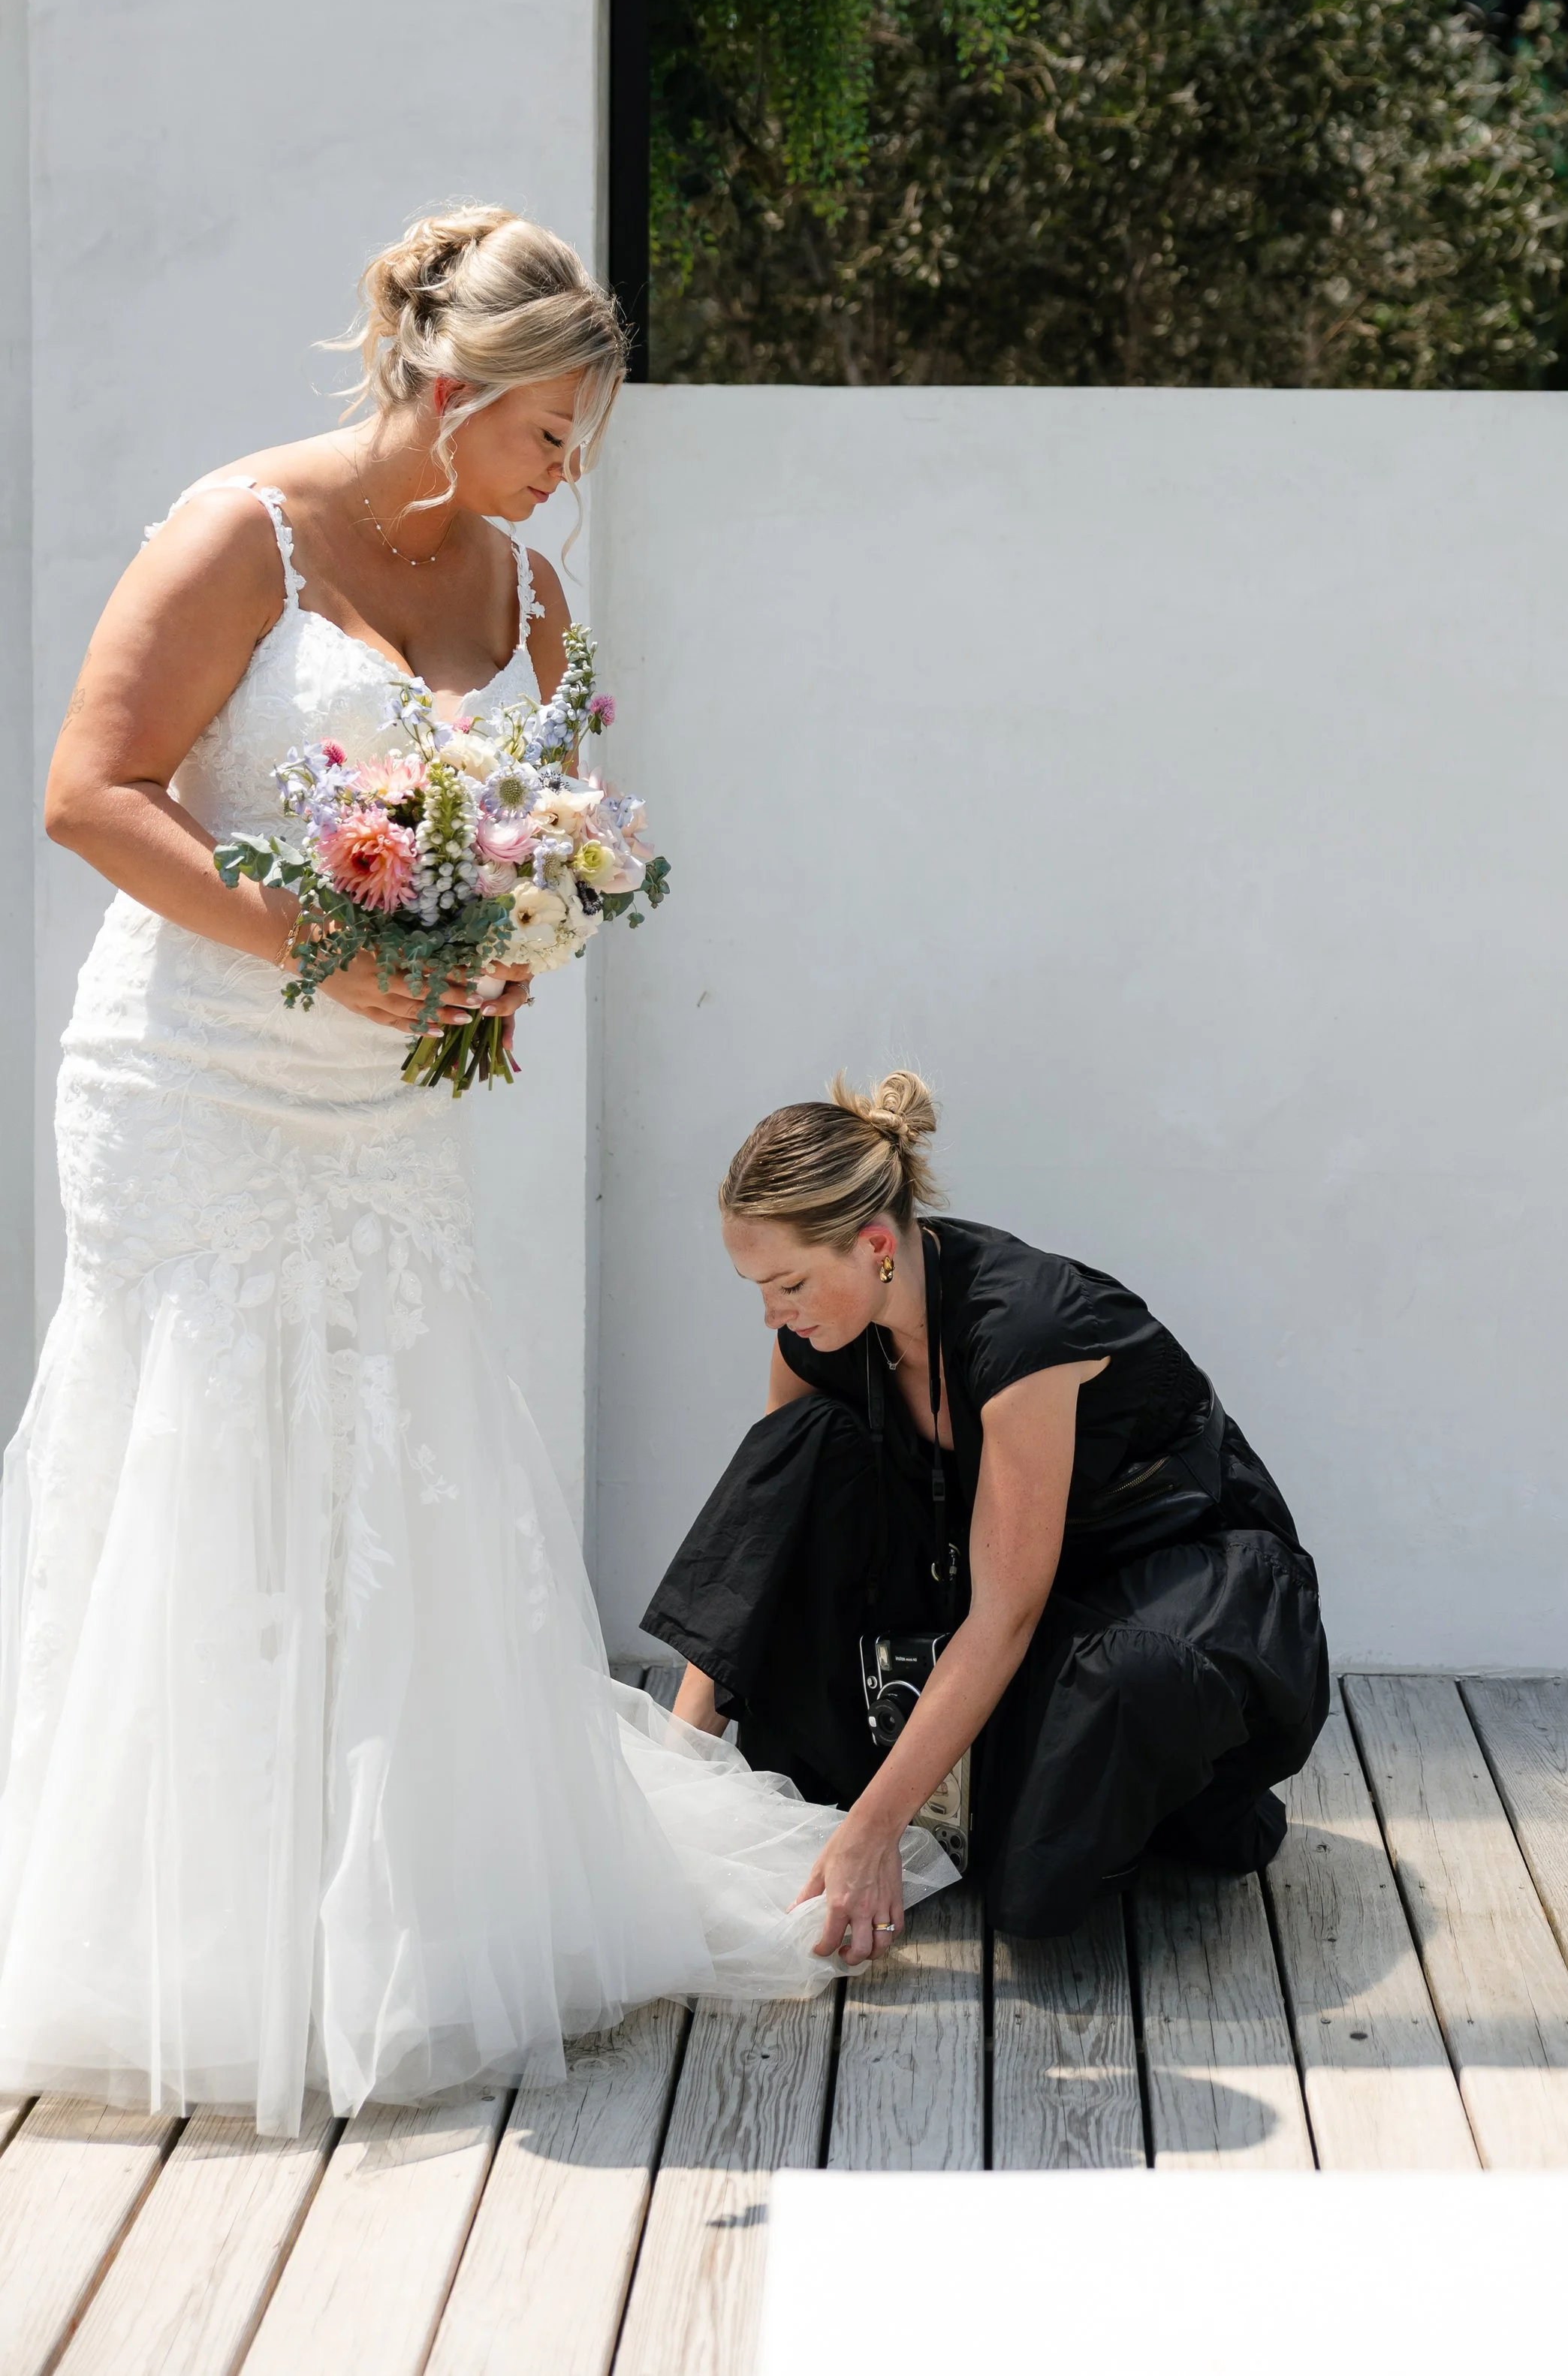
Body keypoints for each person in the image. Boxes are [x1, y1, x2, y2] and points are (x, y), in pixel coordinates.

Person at [0, 207, 951, 2139]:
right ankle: (199, 1948)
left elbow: (562, 825)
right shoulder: (237, 536)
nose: (564, 473)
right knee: (204, 1452)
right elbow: (90, 787)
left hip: (389, 1103)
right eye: (549, 433)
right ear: (449, 392)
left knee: (392, 1455)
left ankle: (396, 1918)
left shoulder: (526, 595)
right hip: (190, 1082)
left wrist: (511, 940)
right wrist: (332, 951)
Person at [646, 1073, 1330, 1960]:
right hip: (983, 1577)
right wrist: (678, 1770)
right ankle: (953, 1782)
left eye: (789, 1284)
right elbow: (762, 1536)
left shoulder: (1025, 1330)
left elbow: (1006, 1610)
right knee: (802, 1438)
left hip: (1168, 1574)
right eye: (759, 1288)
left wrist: (872, 1830)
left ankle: (1121, 1792)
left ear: (876, 1245)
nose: (774, 1314)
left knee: (1034, 1873)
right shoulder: (815, 1335)